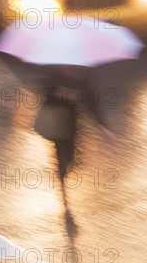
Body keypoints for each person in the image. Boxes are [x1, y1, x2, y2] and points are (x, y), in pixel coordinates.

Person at [35, 65, 116, 231]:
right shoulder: (54, 71)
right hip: (55, 123)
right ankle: (64, 199)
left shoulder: (81, 74)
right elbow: (45, 92)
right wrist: (65, 94)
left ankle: (64, 176)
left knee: (72, 161)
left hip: (72, 125)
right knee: (62, 162)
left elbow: (89, 100)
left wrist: (103, 127)